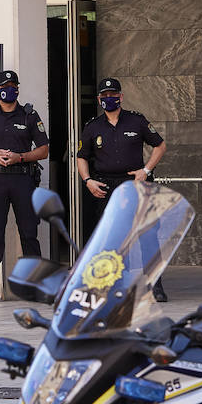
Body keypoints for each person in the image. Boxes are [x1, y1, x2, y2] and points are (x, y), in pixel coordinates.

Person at [77, 77, 169, 301]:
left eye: (113, 94)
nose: (109, 98)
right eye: (105, 95)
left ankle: (155, 285)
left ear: (121, 96)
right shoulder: (92, 127)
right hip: (107, 186)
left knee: (147, 235)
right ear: (99, 99)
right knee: (113, 238)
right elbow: (81, 157)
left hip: (136, 183)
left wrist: (146, 170)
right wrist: (88, 180)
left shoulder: (136, 121)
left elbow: (160, 145)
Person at [0, 69, 49, 304]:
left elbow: (43, 150)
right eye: (5, 86)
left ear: (18, 89)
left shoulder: (29, 115)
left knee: (29, 234)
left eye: (13, 85)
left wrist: (20, 157)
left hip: (23, 179)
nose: (9, 89)